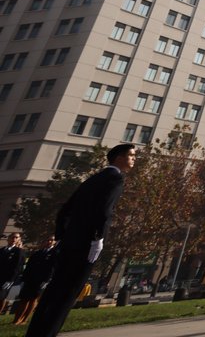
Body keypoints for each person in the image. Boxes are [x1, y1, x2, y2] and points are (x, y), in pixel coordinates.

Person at [26, 143, 136, 337]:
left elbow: (64, 211)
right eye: (131, 155)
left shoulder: (93, 179)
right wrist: (98, 238)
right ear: (119, 157)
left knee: (54, 290)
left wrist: (62, 237)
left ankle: (35, 332)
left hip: (70, 241)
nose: (134, 159)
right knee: (67, 295)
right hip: (85, 244)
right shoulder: (116, 179)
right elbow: (104, 211)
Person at [11, 236, 56, 325]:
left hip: (41, 280)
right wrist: (24, 279)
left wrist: (46, 280)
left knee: (33, 299)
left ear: (54, 242)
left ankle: (24, 319)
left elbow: (52, 268)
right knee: (23, 299)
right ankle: (17, 319)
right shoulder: (37, 253)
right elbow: (29, 266)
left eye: (51, 240)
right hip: (30, 279)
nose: (49, 241)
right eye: (47, 240)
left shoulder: (54, 253)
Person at [0, 233, 23, 314]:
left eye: (16, 237)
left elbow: (17, 267)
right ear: (8, 238)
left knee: (1, 297)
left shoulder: (18, 251)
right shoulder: (2, 250)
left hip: (7, 278)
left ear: (19, 240)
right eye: (12, 237)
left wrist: (10, 280)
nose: (14, 239)